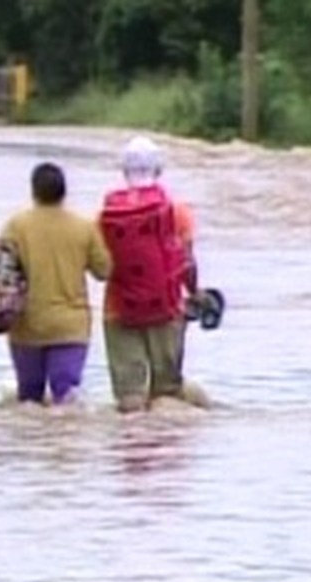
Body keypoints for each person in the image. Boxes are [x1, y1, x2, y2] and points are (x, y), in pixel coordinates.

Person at [99, 136, 212, 413]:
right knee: (167, 394)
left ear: (124, 171)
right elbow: (186, 262)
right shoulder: (177, 212)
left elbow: (101, 265)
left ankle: (131, 451)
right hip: (167, 308)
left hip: (118, 310)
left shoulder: (107, 214)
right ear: (159, 170)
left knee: (129, 399)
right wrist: (195, 293)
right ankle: (163, 447)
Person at [1, 163, 112, 406]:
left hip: (26, 324)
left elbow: (1, 272)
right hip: (70, 326)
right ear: (64, 191)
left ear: (34, 191)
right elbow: (103, 271)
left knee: (28, 399)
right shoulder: (84, 227)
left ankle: (35, 443)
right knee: (67, 397)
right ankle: (63, 443)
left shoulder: (16, 226)